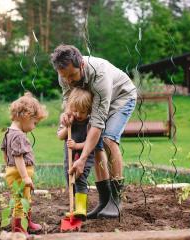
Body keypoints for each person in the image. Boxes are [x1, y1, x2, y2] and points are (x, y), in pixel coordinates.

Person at [51, 44, 137, 219]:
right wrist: (66, 114)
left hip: (121, 98)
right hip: (94, 103)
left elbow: (97, 124)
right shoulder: (65, 75)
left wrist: (82, 159)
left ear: (81, 64)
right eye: (64, 76)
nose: (68, 80)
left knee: (108, 139)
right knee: (96, 147)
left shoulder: (100, 76)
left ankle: (115, 199)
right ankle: (104, 200)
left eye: (72, 75)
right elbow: (69, 99)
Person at [1, 92, 47, 235]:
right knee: (20, 202)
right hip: (20, 175)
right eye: (34, 123)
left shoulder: (8, 132)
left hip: (13, 172)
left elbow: (4, 151)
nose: (34, 127)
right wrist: (25, 176)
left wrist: (8, 167)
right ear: (26, 116)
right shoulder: (19, 135)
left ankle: (27, 223)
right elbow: (18, 157)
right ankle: (19, 230)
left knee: (24, 199)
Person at [57, 88, 94, 220]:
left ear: (89, 110)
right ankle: (74, 207)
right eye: (75, 110)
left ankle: (81, 209)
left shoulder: (90, 123)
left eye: (82, 112)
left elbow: (91, 141)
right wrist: (68, 126)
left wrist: (76, 145)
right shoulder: (68, 119)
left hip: (85, 156)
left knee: (80, 179)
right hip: (70, 157)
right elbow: (60, 136)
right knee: (70, 180)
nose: (78, 114)